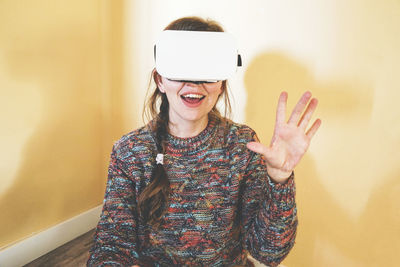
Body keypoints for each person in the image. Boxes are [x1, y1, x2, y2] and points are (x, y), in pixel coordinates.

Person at [87, 16, 321, 267]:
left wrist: (279, 180)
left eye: (206, 71)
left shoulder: (242, 145)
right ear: (160, 80)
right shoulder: (130, 151)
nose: (194, 83)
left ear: (220, 84)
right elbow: (112, 245)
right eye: (181, 67)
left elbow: (268, 253)